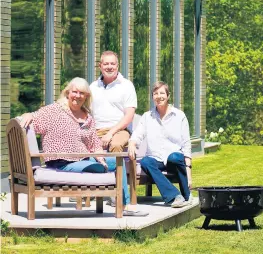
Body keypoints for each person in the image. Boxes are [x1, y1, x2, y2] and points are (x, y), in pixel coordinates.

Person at [20, 78, 147, 216]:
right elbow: (35, 117)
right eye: (75, 92)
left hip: (84, 159)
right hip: (61, 162)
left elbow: (94, 144)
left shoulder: (88, 117)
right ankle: (102, 179)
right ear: (67, 93)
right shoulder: (55, 110)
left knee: (117, 162)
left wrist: (101, 157)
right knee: (95, 168)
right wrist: (28, 114)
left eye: (82, 93)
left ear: (86, 96)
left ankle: (125, 205)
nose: (78, 96)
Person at [128, 81, 193, 208]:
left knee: (174, 157)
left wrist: (189, 174)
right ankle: (174, 196)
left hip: (174, 160)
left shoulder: (179, 116)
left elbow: (186, 145)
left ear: (168, 96)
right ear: (153, 97)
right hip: (156, 159)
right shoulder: (147, 117)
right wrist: (132, 143)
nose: (159, 96)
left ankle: (186, 194)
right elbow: (137, 135)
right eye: (155, 94)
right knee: (146, 161)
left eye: (162, 93)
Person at [90, 50, 136, 153]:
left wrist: (110, 133)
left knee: (115, 145)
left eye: (112, 63)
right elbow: (87, 113)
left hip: (119, 131)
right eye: (106, 64)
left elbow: (129, 116)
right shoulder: (93, 87)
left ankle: (119, 170)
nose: (109, 67)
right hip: (96, 131)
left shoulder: (126, 85)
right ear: (100, 66)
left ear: (117, 66)